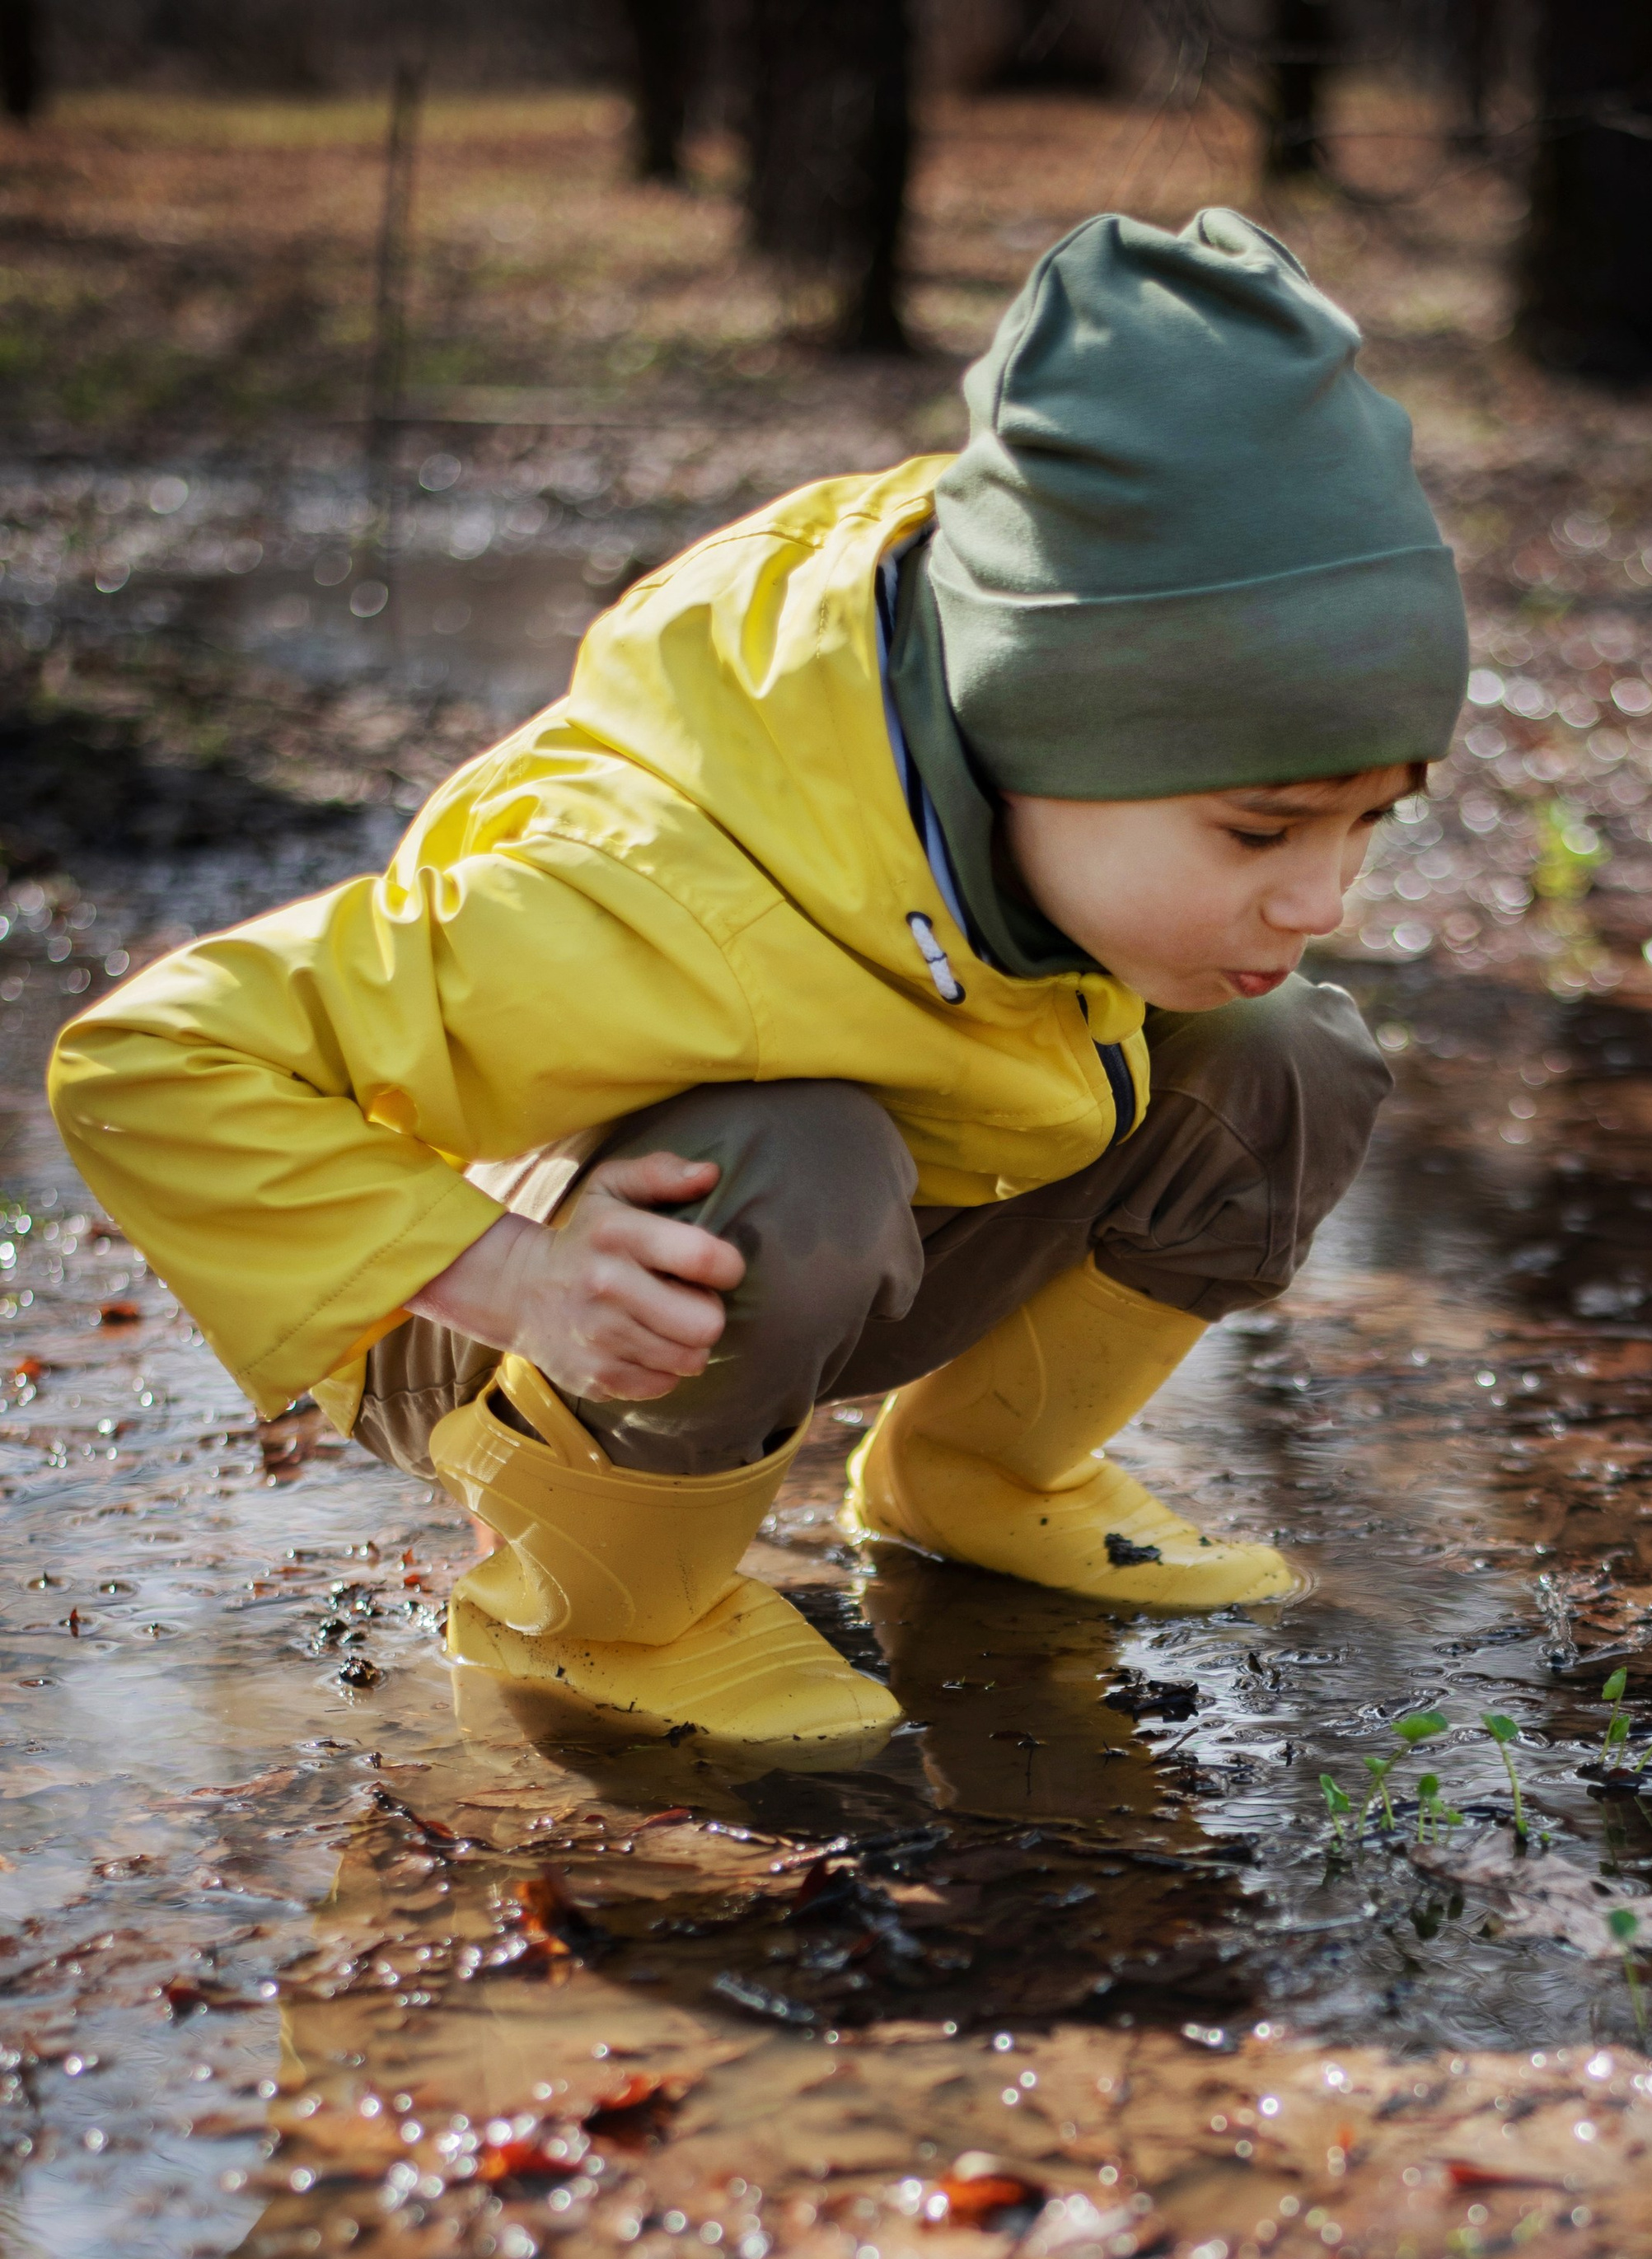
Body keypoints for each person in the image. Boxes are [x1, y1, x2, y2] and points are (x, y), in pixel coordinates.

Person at [49, 209, 1467, 1763]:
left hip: (864, 1217)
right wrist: (506, 1274)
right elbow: (149, 1063)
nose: (1323, 895)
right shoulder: (645, 891)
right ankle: (592, 1608)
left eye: (1366, 821)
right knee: (805, 1161)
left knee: (1284, 1056)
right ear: (1031, 742)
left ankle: (978, 1479)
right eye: (1260, 829)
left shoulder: (1035, 669)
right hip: (526, 1306)